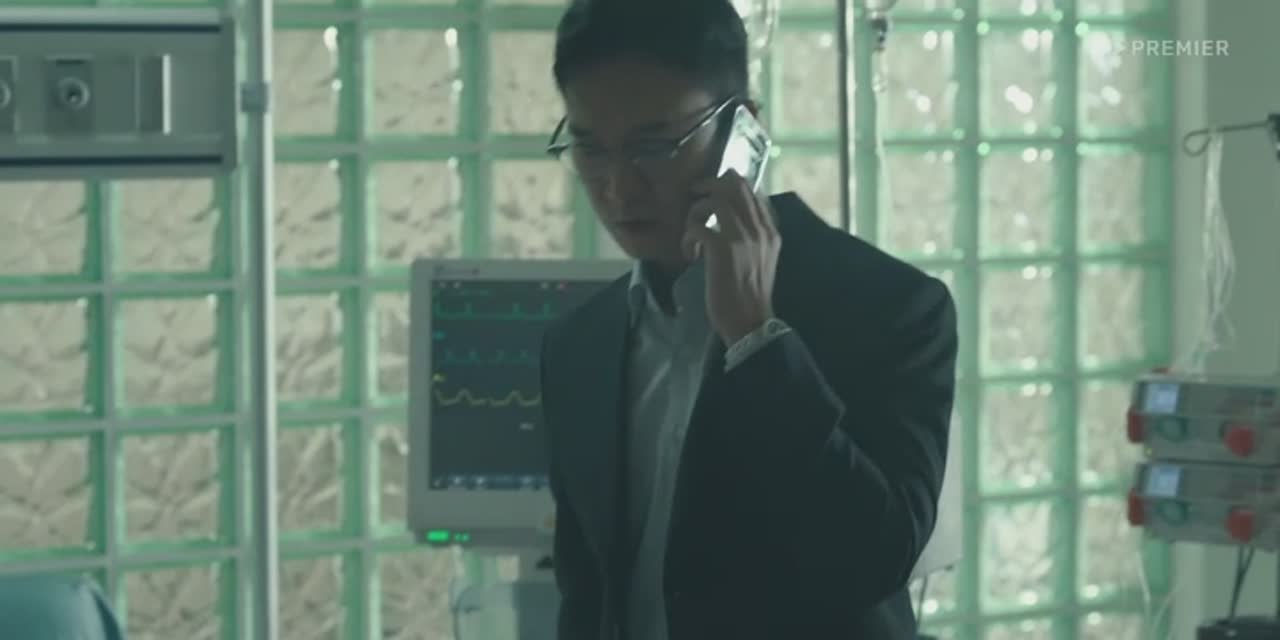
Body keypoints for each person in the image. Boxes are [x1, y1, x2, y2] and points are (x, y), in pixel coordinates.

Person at [537, 0, 958, 638]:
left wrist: (757, 339)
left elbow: (872, 560)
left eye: (654, 147)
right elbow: (586, 597)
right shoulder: (578, 344)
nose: (618, 189)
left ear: (744, 133)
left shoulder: (891, 307)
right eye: (591, 149)